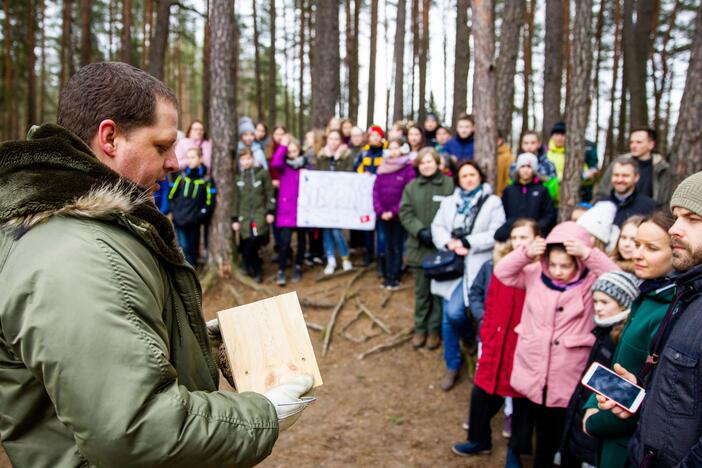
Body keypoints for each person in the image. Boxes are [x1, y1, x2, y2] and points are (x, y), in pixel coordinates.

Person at [0, 62, 313, 467]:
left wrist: (194, 337)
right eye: (162, 146)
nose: (175, 163)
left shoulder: (88, 230)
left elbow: (111, 346)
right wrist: (264, 414)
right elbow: (135, 429)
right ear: (110, 137)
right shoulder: (76, 253)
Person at [494, 221, 619, 467]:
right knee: (524, 416)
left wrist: (589, 254)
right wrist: (526, 252)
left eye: (565, 266)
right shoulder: (533, 275)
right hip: (532, 363)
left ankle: (545, 460)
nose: (558, 271)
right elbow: (503, 272)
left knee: (551, 429)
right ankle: (516, 454)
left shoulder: (591, 282)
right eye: (553, 264)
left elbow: (617, 279)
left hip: (566, 371)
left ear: (578, 263)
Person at [597, 172, 702, 467]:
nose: (676, 229)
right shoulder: (686, 294)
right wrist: (643, 393)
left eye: (693, 219)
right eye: (677, 217)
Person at [580, 211, 675, 468]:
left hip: (626, 441)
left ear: (676, 250)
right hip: (609, 428)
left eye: (651, 248)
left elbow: (652, 392)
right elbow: (620, 365)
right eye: (637, 245)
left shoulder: (669, 311)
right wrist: (592, 403)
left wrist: (594, 421)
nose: (637, 254)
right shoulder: (647, 294)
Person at [451, 219, 540, 464]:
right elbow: (484, 298)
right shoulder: (496, 265)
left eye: (525, 237)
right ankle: (479, 439)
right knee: (481, 394)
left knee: (521, 404)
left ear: (537, 240)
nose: (520, 243)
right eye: (516, 237)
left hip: (522, 347)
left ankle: (515, 451)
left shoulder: (541, 271)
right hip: (494, 342)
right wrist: (486, 326)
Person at [431, 160, 505, 391]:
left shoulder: (493, 202)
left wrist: (468, 242)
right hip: (452, 265)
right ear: (458, 180)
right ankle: (452, 364)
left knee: (464, 311)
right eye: (464, 176)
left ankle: (471, 340)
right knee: (450, 314)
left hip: (477, 264)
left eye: (472, 174)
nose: (469, 179)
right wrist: (450, 244)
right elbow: (437, 226)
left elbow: (497, 232)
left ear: (480, 176)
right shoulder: (450, 202)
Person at [559, 271, 641, 468]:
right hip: (581, 420)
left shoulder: (619, 338)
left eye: (605, 302)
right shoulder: (604, 330)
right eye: (596, 301)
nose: (598, 308)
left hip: (594, 430)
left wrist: (593, 421)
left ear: (624, 303)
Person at [400, 147, 454, 349]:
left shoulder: (448, 184)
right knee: (422, 293)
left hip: (441, 249)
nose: (426, 166)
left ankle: (434, 330)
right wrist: (419, 231)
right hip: (419, 247)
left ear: (437, 163)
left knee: (437, 293)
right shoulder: (412, 187)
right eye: (423, 163)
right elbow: (405, 212)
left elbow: (452, 210)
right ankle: (420, 328)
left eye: (430, 162)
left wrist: (439, 235)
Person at [374, 137, 416, 289]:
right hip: (383, 216)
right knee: (386, 245)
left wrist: (393, 211)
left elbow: (409, 193)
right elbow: (376, 191)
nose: (393, 151)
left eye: (396, 147)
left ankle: (395, 276)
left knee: (397, 245)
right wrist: (380, 211)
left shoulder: (408, 168)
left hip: (398, 216)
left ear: (403, 149)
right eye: (390, 148)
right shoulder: (382, 167)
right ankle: (387, 275)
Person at [595, 127, 672, 207]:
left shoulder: (662, 168)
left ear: (651, 145)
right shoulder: (618, 164)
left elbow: (665, 199)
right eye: (631, 142)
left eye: (638, 142)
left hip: (650, 213)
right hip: (619, 212)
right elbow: (602, 192)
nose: (633, 146)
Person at [232, 148, 276, 283]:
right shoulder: (238, 177)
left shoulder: (262, 174)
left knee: (255, 240)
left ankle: (254, 268)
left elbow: (270, 194)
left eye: (248, 158)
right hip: (244, 216)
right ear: (240, 161)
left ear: (253, 159)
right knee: (246, 241)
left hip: (260, 214)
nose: (246, 162)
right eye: (243, 159)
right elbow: (235, 199)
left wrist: (270, 211)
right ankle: (251, 267)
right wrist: (234, 218)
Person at [168, 146, 216, 266]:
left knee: (193, 247)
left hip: (195, 220)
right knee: (183, 246)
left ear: (200, 158)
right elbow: (171, 195)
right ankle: (186, 269)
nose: (190, 160)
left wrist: (200, 215)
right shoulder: (181, 176)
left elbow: (210, 201)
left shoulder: (207, 179)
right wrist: (175, 211)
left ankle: (193, 270)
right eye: (188, 157)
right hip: (180, 219)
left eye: (193, 157)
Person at [270, 135, 308, 286]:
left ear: (299, 150)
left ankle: (298, 266)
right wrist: (283, 145)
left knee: (301, 241)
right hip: (286, 210)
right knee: (284, 242)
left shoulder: (306, 166)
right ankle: (281, 269)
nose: (292, 154)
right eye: (289, 151)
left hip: (302, 210)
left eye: (295, 151)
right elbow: (274, 163)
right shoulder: (283, 167)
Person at [316, 129, 354, 274]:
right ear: (327, 140)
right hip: (325, 199)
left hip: (341, 199)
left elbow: (350, 173)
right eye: (331, 138)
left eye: (336, 139)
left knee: (337, 230)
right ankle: (330, 259)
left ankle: (345, 258)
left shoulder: (346, 156)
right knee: (326, 230)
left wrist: (338, 160)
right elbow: (317, 175)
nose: (333, 141)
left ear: (341, 141)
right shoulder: (321, 156)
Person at [501, 152, 557, 235]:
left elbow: (549, 214)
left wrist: (536, 228)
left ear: (534, 170)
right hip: (512, 233)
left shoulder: (542, 190)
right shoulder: (509, 190)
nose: (525, 170)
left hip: (535, 234)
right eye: (522, 166)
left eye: (529, 167)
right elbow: (502, 213)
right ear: (518, 169)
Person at [600, 155, 656, 226]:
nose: (620, 180)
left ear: (636, 177)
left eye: (625, 176)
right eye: (616, 175)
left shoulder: (649, 207)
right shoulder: (600, 204)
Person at [495, 130, 515, 197]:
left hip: (500, 196)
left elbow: (509, 179)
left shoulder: (508, 156)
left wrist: (502, 194)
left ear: (500, 140)